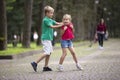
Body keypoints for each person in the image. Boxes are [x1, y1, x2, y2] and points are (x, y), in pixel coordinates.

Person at [31, 6, 63, 72]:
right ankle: (35, 63)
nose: (52, 14)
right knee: (47, 52)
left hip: (49, 39)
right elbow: (52, 26)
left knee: (49, 52)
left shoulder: (50, 20)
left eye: (52, 13)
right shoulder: (45, 20)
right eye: (51, 13)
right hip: (45, 38)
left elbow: (57, 23)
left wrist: (64, 23)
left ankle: (45, 67)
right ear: (46, 13)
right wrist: (60, 26)